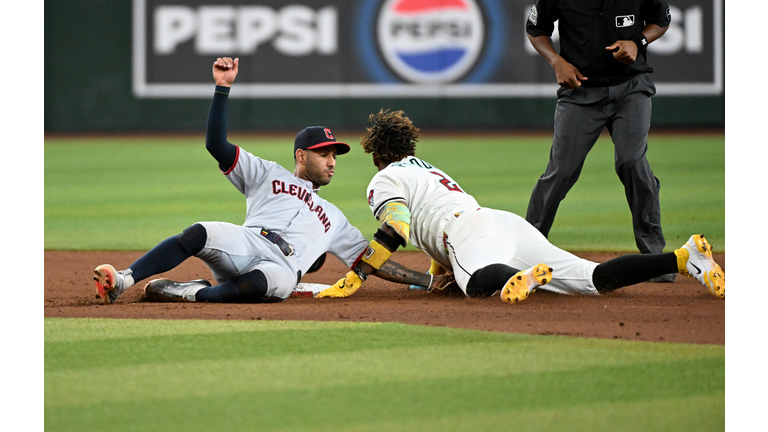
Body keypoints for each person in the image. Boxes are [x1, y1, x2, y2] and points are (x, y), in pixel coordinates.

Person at [93, 57, 449, 304]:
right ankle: (123, 280)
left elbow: (371, 259)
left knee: (259, 285)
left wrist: (428, 280)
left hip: (281, 269)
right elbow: (216, 144)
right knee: (197, 233)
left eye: (334, 155)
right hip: (248, 242)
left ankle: (185, 292)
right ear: (301, 156)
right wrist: (222, 88)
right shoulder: (267, 173)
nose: (331, 162)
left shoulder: (335, 218)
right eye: (323, 154)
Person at [314, 109, 724, 302]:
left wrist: (358, 275)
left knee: (476, 285)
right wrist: (436, 272)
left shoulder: (383, 179)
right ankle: (682, 257)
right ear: (410, 147)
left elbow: (398, 226)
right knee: (592, 278)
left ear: (376, 154)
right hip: (500, 223)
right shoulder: (429, 170)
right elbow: (432, 226)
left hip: (467, 233)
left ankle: (521, 277)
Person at [524, 0, 675, 282]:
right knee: (561, 171)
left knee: (631, 161)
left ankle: (655, 257)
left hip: (631, 88)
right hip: (580, 91)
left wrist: (639, 41)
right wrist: (556, 61)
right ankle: (525, 250)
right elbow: (535, 28)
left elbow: (661, 20)